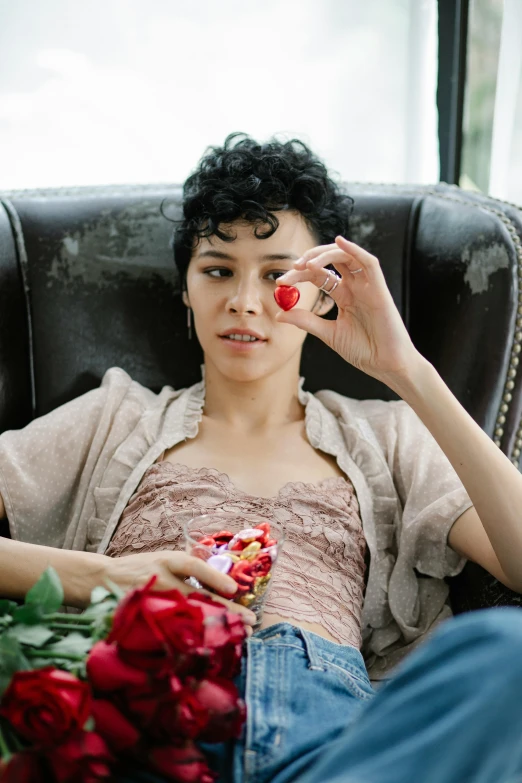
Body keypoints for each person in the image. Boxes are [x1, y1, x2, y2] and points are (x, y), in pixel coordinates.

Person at [1, 132, 522, 783]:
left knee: (511, 653)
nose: (245, 299)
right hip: (148, 724)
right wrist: (102, 578)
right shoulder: (115, 415)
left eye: (278, 274)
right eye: (217, 269)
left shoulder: (388, 433)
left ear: (321, 292)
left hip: (333, 745)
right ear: (186, 290)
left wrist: (406, 368)